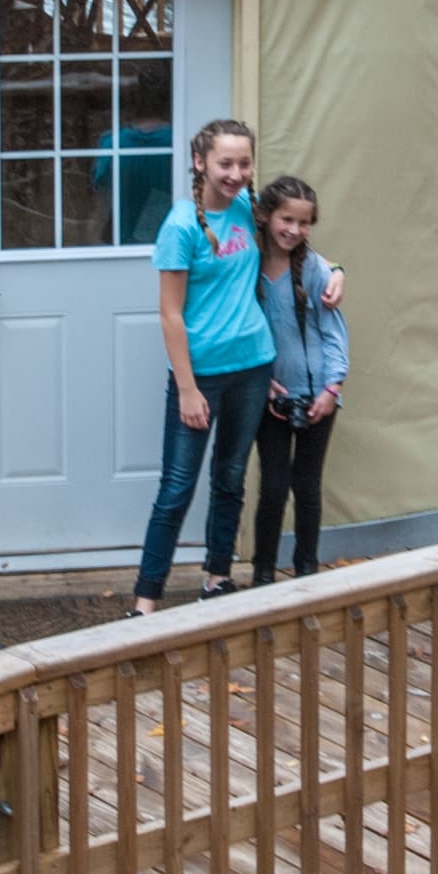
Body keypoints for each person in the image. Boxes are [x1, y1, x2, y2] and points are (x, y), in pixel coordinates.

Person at [134, 119, 272, 613]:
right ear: (200, 163)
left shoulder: (248, 210)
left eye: (244, 163)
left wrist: (335, 271)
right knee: (176, 487)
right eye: (225, 163)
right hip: (202, 376)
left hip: (254, 366)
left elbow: (296, 247)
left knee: (231, 476)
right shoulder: (181, 226)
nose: (236, 173)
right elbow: (170, 314)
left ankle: (217, 577)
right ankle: (146, 599)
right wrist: (189, 390)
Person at [248, 176, 349, 587]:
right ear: (267, 216)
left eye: (303, 222)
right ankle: (263, 572)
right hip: (269, 397)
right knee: (273, 487)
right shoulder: (247, 265)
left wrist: (332, 388)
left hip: (317, 397)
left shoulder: (316, 270)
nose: (293, 229)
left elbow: (334, 333)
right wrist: (261, 381)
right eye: (286, 219)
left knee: (307, 486)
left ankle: (307, 569)